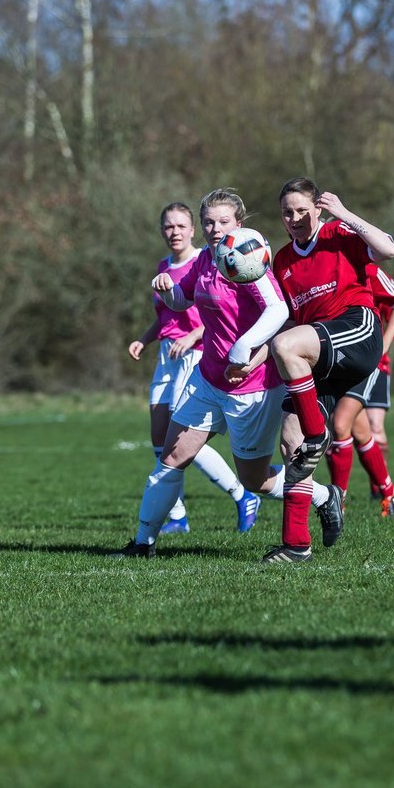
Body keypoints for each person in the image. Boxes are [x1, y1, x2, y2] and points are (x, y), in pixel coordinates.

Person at [112, 189, 343, 558]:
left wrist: (243, 350)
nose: (214, 229)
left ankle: (323, 494)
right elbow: (183, 300)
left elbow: (277, 311)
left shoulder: (249, 258)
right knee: (170, 457)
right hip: (206, 381)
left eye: (223, 222)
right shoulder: (204, 259)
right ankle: (142, 543)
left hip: (250, 388)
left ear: (239, 222)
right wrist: (168, 291)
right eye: (208, 222)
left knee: (255, 481)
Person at [263, 178, 394, 563]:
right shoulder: (283, 260)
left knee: (309, 429)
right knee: (292, 446)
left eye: (303, 210)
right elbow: (287, 324)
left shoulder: (339, 232)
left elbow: (389, 249)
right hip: (315, 353)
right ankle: (296, 545)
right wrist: (252, 358)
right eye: (288, 213)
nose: (295, 218)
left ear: (318, 209)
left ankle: (317, 433)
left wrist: (345, 213)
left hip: (357, 330)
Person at [126, 202, 262, 535]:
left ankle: (241, 493)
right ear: (162, 231)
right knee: (159, 439)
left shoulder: (214, 258)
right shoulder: (163, 266)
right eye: (168, 227)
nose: (174, 232)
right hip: (166, 357)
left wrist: (192, 336)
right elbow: (166, 317)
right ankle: (176, 515)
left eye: (181, 226)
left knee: (182, 439)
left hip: (197, 355)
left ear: (192, 229)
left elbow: (216, 317)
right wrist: (145, 339)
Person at [325, 264, 394, 517]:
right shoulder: (311, 269)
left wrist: (383, 347)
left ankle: (337, 502)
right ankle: (389, 490)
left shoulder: (367, 269)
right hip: (334, 361)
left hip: (365, 360)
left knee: (340, 424)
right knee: (360, 432)